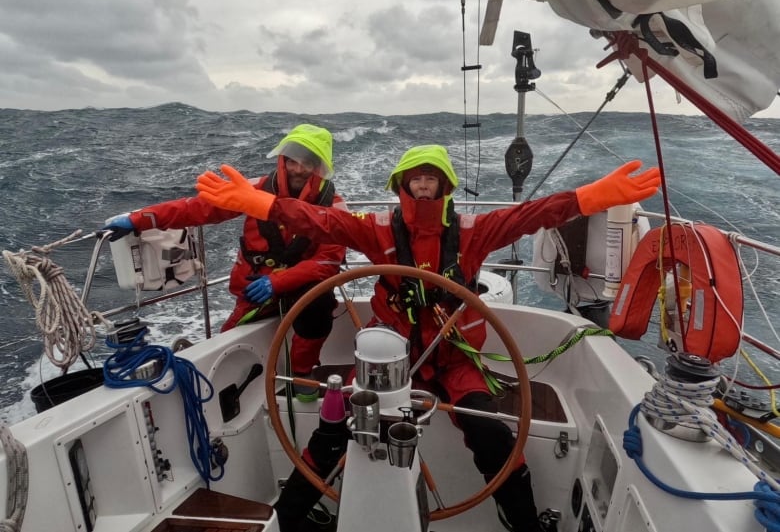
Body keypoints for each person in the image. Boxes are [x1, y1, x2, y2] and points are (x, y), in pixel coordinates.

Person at [195, 144, 661, 531]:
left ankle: (521, 519)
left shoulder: (472, 232)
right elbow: (321, 223)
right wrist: (258, 203)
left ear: (444, 186)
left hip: (455, 360)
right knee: (336, 426)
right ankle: (287, 518)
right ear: (401, 185)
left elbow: (528, 216)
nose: (421, 185)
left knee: (491, 433)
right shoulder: (376, 230)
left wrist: (592, 197)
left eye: (430, 178)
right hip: (389, 362)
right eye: (414, 178)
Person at [103, 124, 348, 399]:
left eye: (308, 163)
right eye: (293, 160)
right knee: (226, 343)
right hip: (255, 287)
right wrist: (140, 219)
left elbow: (328, 262)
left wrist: (279, 281)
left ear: (319, 167)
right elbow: (196, 208)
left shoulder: (333, 205)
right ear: (282, 160)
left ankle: (302, 373)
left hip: (300, 287)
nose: (299, 169)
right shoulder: (253, 190)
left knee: (320, 305)